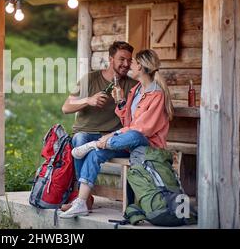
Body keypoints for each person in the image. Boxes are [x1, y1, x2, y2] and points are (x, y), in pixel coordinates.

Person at [59, 49, 174, 218]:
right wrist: (120, 102)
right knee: (96, 154)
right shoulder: (136, 90)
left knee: (133, 136)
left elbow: (143, 129)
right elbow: (128, 121)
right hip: (127, 143)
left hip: (147, 146)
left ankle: (93, 144)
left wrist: (110, 136)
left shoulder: (156, 94)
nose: (130, 66)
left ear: (141, 67)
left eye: (133, 62)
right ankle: (81, 201)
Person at [61, 41, 138, 210]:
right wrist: (88, 100)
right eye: (121, 59)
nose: (126, 64)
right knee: (80, 139)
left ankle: (81, 199)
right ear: (111, 59)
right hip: (87, 133)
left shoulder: (132, 85)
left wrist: (122, 101)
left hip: (112, 137)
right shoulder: (90, 79)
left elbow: (134, 121)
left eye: (129, 60)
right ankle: (85, 199)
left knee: (90, 149)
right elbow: (66, 107)